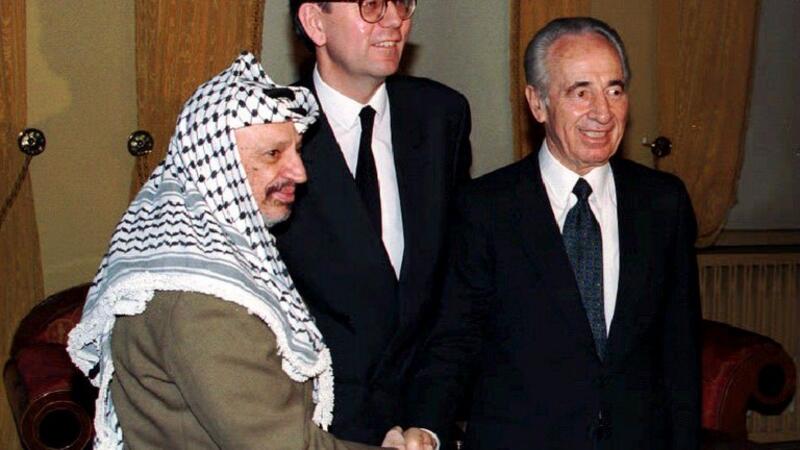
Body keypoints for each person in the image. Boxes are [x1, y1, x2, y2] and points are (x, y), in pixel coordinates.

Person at [67, 52, 413, 449]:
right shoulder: (204, 301)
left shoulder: (198, 251)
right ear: (217, 162)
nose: (299, 172)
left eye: (297, 150)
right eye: (273, 154)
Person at [406, 17, 701, 449]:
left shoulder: (662, 203)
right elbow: (454, 339)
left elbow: (681, 351)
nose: (603, 112)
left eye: (614, 90)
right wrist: (426, 426)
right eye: (581, 92)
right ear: (538, 103)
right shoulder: (486, 208)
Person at [273, 0, 472, 446]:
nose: (396, 19)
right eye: (371, 5)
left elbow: (454, 294)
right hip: (315, 429)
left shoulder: (440, 115)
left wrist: (427, 424)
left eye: (401, 3)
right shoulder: (271, 132)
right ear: (315, 22)